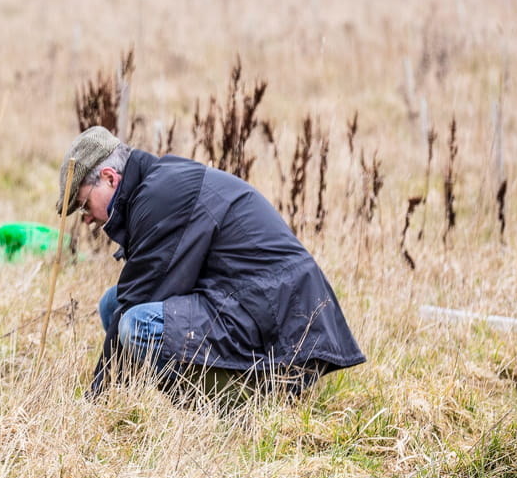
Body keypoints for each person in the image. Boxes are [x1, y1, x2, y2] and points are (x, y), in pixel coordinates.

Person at [56, 127, 365, 402]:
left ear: (110, 178)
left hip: (279, 322)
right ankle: (204, 394)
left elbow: (140, 297)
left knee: (137, 324)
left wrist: (97, 399)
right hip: (250, 304)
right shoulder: (157, 185)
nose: (86, 218)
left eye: (83, 204)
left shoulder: (160, 196)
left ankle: (252, 400)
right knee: (112, 305)